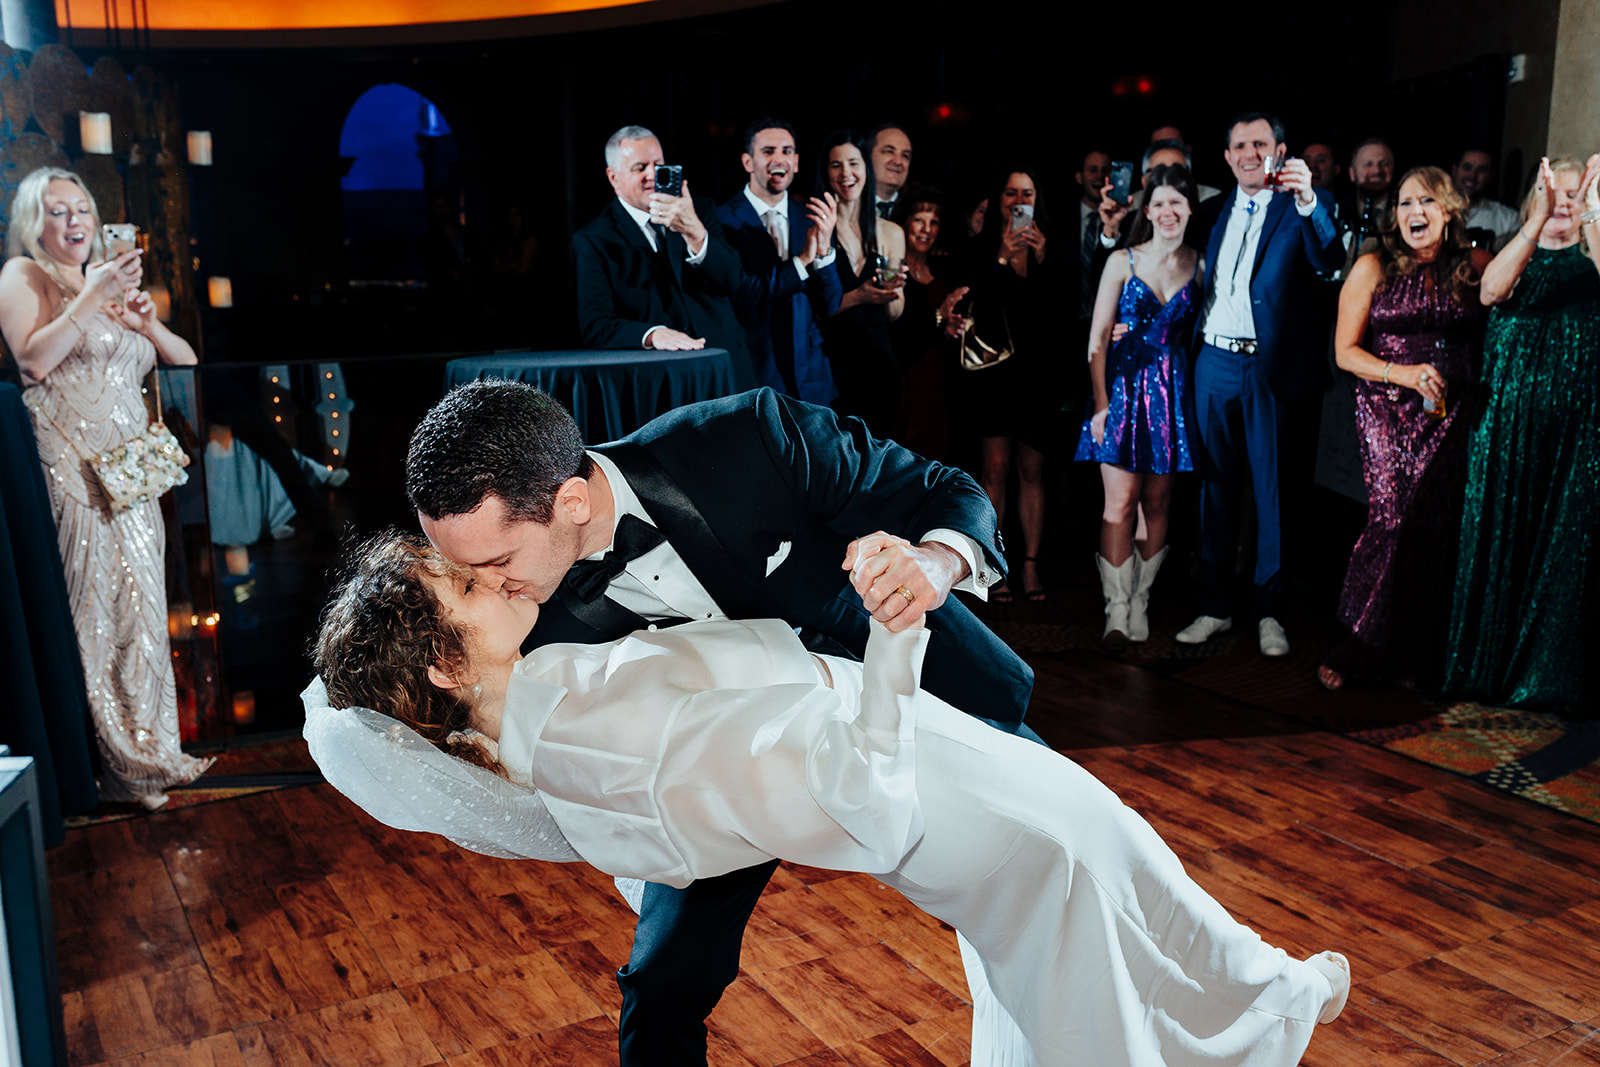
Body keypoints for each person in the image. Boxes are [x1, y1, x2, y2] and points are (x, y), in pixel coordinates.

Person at [306, 531, 1353, 1066]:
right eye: (465, 585)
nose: (493, 574)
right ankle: (1257, 1008)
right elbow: (864, 802)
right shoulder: (593, 736)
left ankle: (1267, 995)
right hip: (935, 784)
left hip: (925, 747)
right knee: (1087, 888)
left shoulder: (538, 701)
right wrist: (894, 629)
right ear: (443, 670)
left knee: (1117, 858)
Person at [404, 379, 1029, 1067]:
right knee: (661, 986)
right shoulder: (528, 619)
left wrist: (935, 563)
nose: (491, 588)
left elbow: (946, 489)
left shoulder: (747, 438)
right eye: (469, 571)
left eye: (497, 563)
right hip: (725, 774)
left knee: (1050, 864)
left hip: (905, 686)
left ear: (571, 503)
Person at [0, 167, 213, 809]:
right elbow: (33, 360)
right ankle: (114, 765)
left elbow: (185, 362)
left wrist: (146, 322)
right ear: (33, 223)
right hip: (72, 469)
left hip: (133, 472)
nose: (73, 223)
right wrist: (91, 296)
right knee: (91, 613)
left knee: (144, 611)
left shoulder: (109, 287)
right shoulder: (24, 276)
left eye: (81, 210)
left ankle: (152, 757)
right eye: (56, 212)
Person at [1178, 113, 1343, 656]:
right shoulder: (1213, 211)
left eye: (1261, 144)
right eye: (1240, 145)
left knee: (1272, 494)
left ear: (1279, 151)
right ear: (1227, 157)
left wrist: (1310, 203)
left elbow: (1330, 261)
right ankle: (1214, 606)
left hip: (1267, 370)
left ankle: (1271, 612)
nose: (1250, 153)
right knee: (1214, 492)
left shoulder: (1300, 207)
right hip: (1213, 364)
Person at [1320, 167, 1490, 691]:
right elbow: (1344, 353)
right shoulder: (1374, 266)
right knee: (1391, 519)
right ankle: (1355, 641)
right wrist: (1404, 375)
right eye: (1405, 203)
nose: (1414, 212)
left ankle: (1415, 651)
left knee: (1436, 526)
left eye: (1427, 202)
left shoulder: (1473, 265)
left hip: (1453, 415)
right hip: (1388, 409)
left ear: (1450, 210)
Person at [1446, 155, 1600, 709]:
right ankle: (1486, 670)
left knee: (1567, 547)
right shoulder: (1516, 254)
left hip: (1579, 439)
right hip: (1508, 430)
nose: (1563, 202)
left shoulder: (1593, 261)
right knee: (1502, 536)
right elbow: (1490, 291)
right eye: (1551, 191)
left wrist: (1592, 214)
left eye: (1572, 193)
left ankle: (1551, 679)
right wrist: (1535, 223)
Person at [1076, 165, 1202, 642]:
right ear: (1147, 211)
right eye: (1159, 203)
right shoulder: (1121, 261)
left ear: (1189, 208)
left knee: (1158, 503)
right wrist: (1102, 406)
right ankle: (1115, 608)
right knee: (1119, 504)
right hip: (1124, 393)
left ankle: (1141, 602)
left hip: (1173, 397)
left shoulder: (1201, 263)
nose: (1168, 211)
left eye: (1177, 202)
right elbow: (1097, 342)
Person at [572, 125, 750, 378]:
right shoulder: (594, 240)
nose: (652, 175)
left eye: (658, 164)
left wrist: (695, 232)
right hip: (660, 377)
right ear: (614, 178)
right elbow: (596, 326)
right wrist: (653, 334)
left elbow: (731, 280)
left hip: (723, 365)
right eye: (640, 167)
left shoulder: (699, 210)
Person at [962, 168, 1055, 603]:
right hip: (994, 374)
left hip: (1037, 373)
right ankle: (992, 567)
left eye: (1027, 194)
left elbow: (1058, 311)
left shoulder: (1048, 247)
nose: (1019, 201)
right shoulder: (981, 246)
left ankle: (1031, 565)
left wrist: (1041, 260)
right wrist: (1000, 257)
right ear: (999, 199)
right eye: (1011, 193)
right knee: (995, 469)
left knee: (1032, 470)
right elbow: (976, 303)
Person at [715, 118, 842, 405]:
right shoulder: (720, 221)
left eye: (787, 151)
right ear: (748, 161)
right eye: (768, 151)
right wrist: (802, 261)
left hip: (812, 379)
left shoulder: (810, 216)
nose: (779, 159)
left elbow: (830, 304)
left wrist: (823, 254)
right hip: (753, 376)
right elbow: (740, 293)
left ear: (796, 162)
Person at [815, 129, 907, 433]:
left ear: (866, 168)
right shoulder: (816, 227)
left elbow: (894, 315)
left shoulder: (891, 232)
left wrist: (893, 294)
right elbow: (815, 310)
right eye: (836, 165)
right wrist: (860, 296)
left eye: (854, 163)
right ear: (826, 173)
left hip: (880, 366)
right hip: (832, 368)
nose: (846, 173)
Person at [890, 186, 956, 458]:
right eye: (919, 220)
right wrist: (939, 317)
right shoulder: (894, 270)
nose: (926, 229)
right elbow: (897, 332)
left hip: (938, 383)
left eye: (934, 222)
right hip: (902, 383)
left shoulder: (945, 269)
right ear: (904, 223)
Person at [1452, 147, 1521, 248]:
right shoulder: (1434, 212)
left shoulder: (1509, 219)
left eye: (1481, 170)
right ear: (1455, 170)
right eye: (1467, 167)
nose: (1472, 175)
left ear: (1491, 176)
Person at [868, 123, 914, 219]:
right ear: (868, 156)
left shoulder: (915, 211)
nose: (898, 162)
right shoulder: (847, 206)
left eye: (905, 156)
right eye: (889, 151)